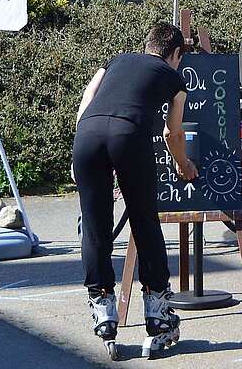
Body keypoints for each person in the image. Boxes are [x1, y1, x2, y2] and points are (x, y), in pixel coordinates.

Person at [73, 22, 198, 357]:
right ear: (175, 54)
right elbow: (173, 134)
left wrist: (78, 145)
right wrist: (185, 166)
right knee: (144, 223)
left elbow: (88, 95)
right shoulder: (174, 77)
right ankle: (158, 317)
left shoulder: (115, 61)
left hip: (87, 135)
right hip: (129, 136)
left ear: (147, 45)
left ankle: (104, 313)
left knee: (96, 226)